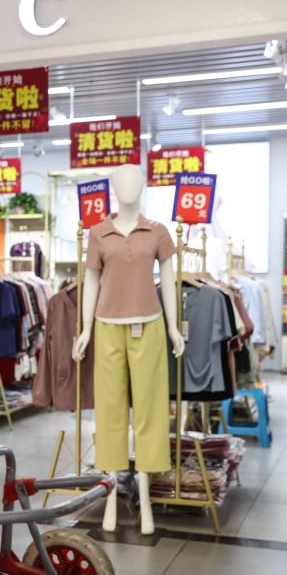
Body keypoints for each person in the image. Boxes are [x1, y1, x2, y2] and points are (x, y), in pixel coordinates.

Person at [73, 164, 184, 535]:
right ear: (113, 188)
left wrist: (172, 327)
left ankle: (146, 498)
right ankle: (110, 496)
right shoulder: (98, 233)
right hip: (106, 327)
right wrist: (85, 329)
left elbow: (168, 280)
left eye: (134, 180)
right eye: (121, 181)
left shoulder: (157, 232)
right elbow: (90, 281)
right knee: (111, 410)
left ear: (143, 186)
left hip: (149, 324)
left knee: (151, 411)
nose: (128, 186)